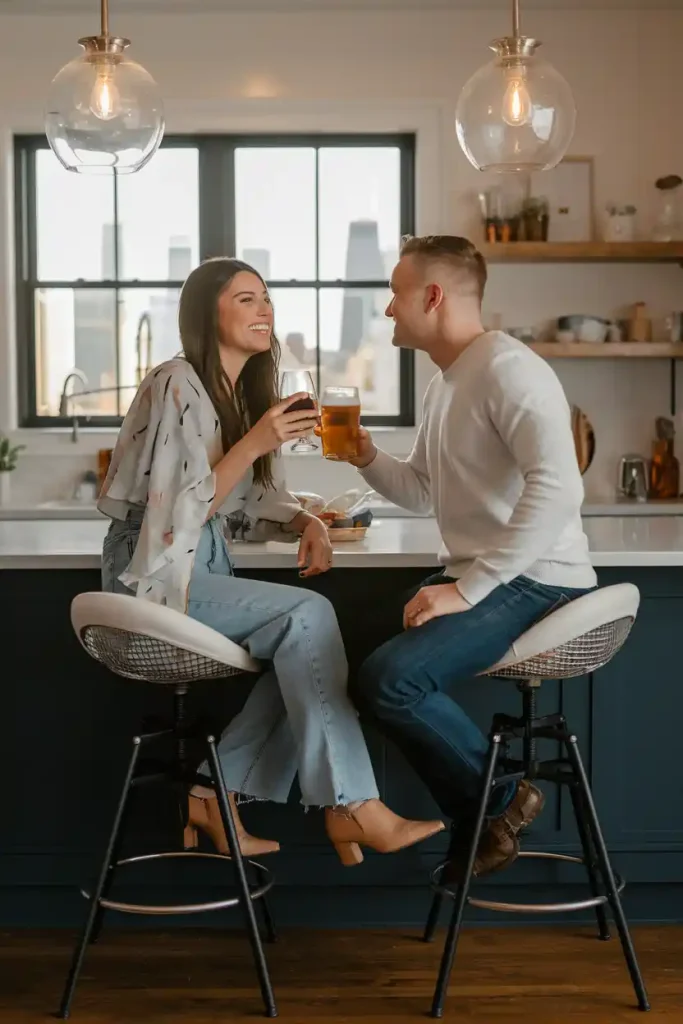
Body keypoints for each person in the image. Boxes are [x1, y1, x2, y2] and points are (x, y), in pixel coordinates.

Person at [99, 256, 444, 867]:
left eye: (266, 299)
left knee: (303, 650)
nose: (265, 310)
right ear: (208, 313)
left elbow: (247, 501)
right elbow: (180, 511)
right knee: (308, 618)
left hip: (200, 570)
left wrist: (306, 519)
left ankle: (213, 792)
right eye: (246, 299)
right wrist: (258, 439)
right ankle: (354, 805)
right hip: (153, 574)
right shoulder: (176, 380)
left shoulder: (234, 391)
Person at [348, 235, 598, 879]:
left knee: (391, 681)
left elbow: (560, 487)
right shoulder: (446, 384)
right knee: (340, 652)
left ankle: (493, 807)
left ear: (433, 296)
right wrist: (366, 457)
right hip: (485, 577)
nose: (388, 311)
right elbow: (423, 490)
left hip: (540, 581)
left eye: (396, 295)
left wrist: (466, 590)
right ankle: (491, 813)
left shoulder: (509, 368)